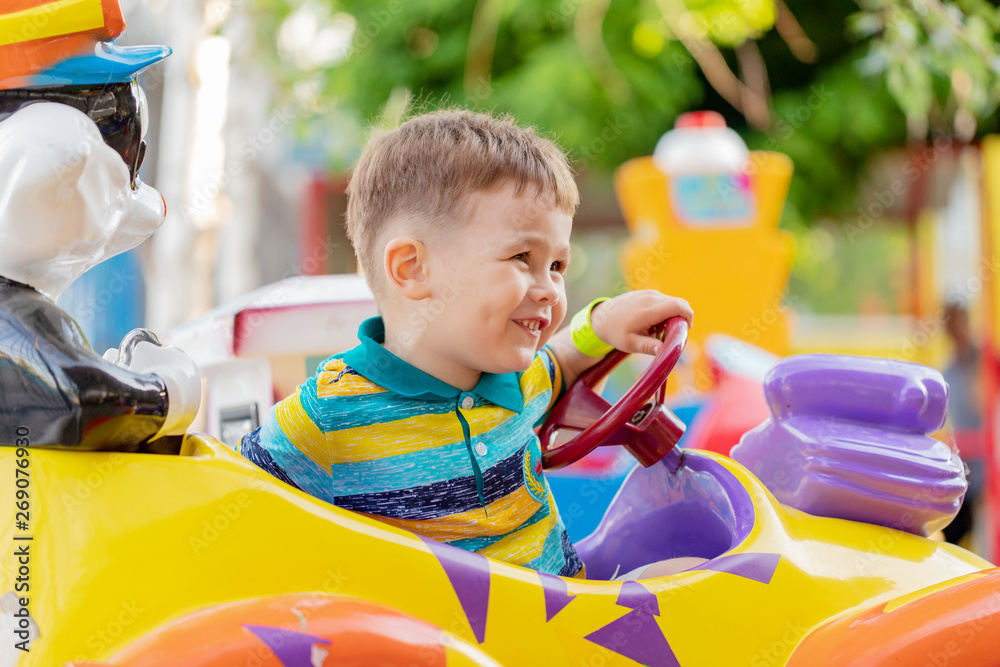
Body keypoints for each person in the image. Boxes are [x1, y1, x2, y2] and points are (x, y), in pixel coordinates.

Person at [239, 109, 693, 578]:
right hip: (458, 646)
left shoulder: (514, 380)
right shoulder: (329, 416)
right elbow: (230, 491)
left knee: (701, 568)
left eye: (557, 266)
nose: (550, 290)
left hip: (570, 617)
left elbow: (563, 362)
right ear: (413, 269)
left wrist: (600, 323)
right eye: (523, 257)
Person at [942, 302, 985, 546]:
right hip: (967, 466)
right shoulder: (949, 371)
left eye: (960, 323)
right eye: (952, 324)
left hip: (986, 463)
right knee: (958, 532)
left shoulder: (984, 364)